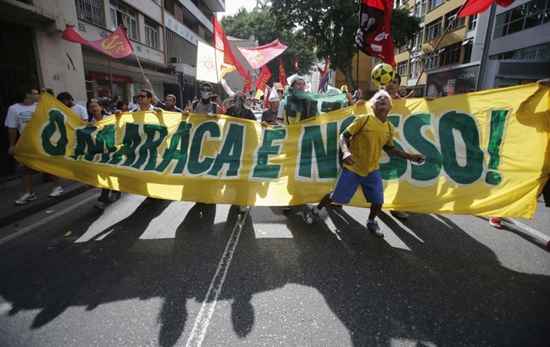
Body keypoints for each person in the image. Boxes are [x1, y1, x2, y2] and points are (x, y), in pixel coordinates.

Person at [317, 90, 424, 237]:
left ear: (390, 107)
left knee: (378, 201)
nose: (381, 99)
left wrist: (410, 156)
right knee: (336, 198)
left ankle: (371, 221)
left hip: (372, 170)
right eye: (378, 98)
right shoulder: (364, 120)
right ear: (373, 106)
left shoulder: (389, 128)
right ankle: (317, 209)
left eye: (385, 98)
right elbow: (343, 136)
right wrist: (346, 152)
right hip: (353, 168)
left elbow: (389, 148)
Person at [5, 90, 64, 204]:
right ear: (27, 94)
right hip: (27, 143)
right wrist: (12, 145)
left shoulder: (41, 106)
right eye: (35, 93)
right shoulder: (14, 109)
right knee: (26, 167)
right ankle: (29, 193)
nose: (37, 95)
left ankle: (57, 187)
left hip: (44, 141)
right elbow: (12, 128)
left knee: (50, 164)